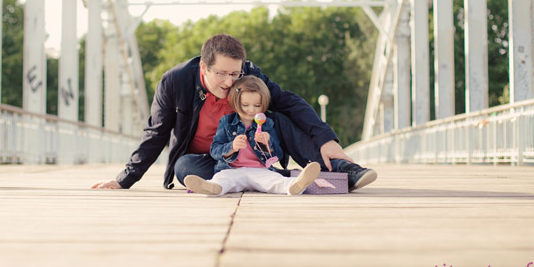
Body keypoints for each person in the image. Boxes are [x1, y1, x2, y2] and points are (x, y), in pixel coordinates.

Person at [91, 33, 377, 191]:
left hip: (256, 151)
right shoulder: (175, 81)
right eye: (222, 74)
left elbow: (289, 101)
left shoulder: (248, 75)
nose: (230, 82)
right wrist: (123, 180)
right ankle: (279, 178)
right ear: (204, 67)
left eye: (235, 73)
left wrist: (326, 137)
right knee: (184, 168)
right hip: (211, 161)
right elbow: (155, 134)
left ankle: (343, 171)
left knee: (281, 118)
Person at [184, 75, 322, 196]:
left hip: (260, 170)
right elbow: (214, 150)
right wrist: (231, 147)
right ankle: (211, 187)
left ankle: (295, 185)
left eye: (257, 105)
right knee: (223, 179)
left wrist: (268, 143)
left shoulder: (267, 124)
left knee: (275, 181)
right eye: (245, 105)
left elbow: (278, 155)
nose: (251, 110)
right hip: (232, 169)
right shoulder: (227, 122)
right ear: (236, 102)